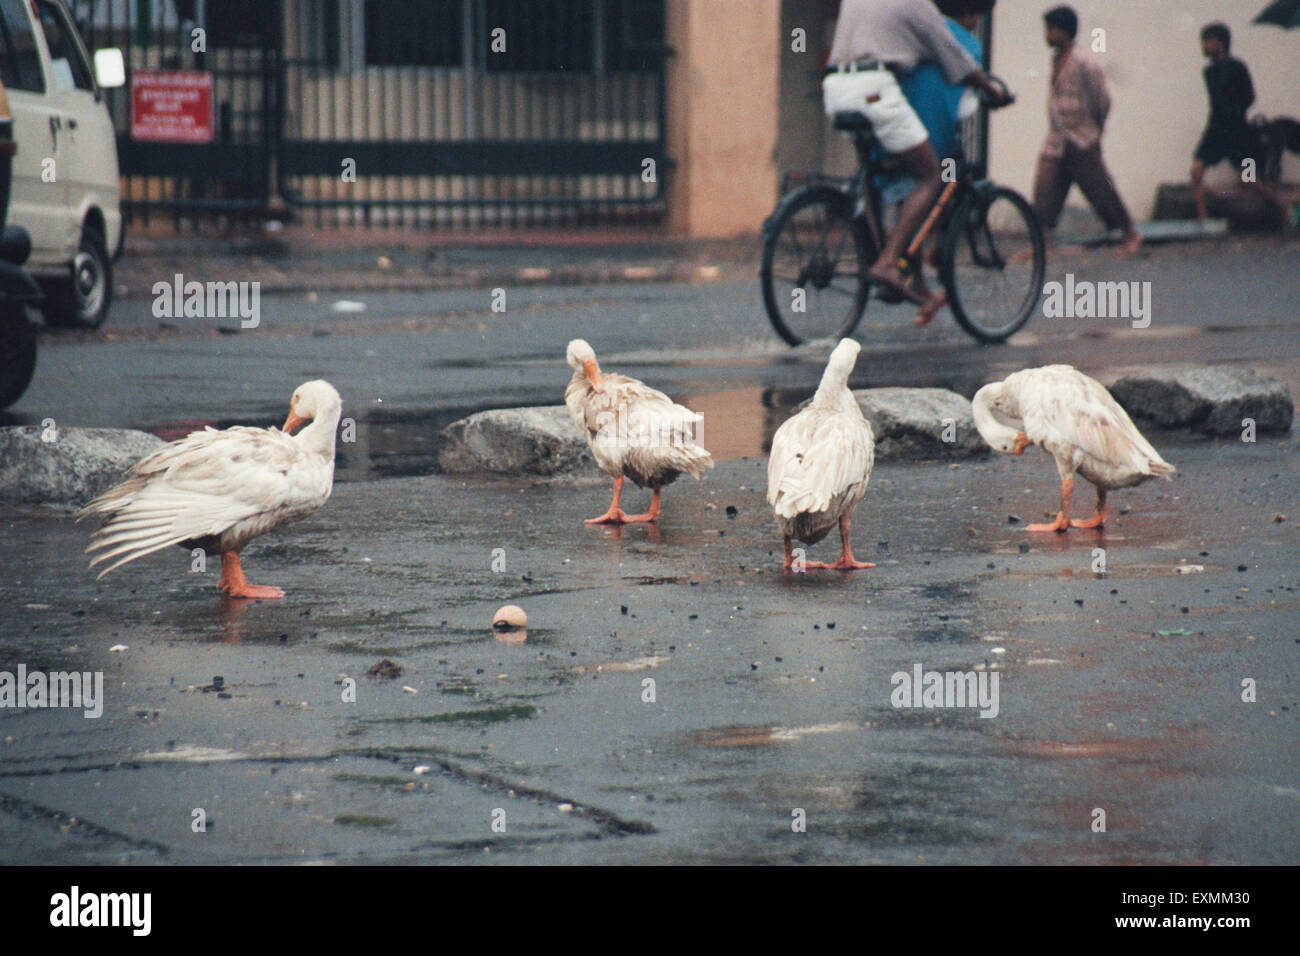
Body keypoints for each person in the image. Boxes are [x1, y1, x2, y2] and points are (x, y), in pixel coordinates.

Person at [823, 0, 1008, 321]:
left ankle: (892, 267)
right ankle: (888, 262)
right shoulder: (918, 4)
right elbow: (954, 57)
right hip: (874, 89)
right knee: (930, 175)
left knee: (874, 172)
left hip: (836, 89)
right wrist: (990, 90)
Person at [1029, 5, 1141, 257]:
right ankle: (1041, 244)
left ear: (1063, 31)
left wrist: (1094, 131)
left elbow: (1102, 100)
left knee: (1099, 187)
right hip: (1057, 139)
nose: (1046, 35)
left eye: (1050, 30)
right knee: (1046, 187)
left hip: (1081, 138)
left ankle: (1130, 234)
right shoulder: (1057, 58)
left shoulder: (1084, 61)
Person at [1191, 23, 1297, 231]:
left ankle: (1282, 205)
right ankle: (1203, 222)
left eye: (1208, 41)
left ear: (1220, 43)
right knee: (1196, 172)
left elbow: (1249, 95)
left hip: (1236, 130)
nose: (1204, 46)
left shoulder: (1237, 67)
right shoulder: (1209, 71)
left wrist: (1235, 114)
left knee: (1247, 178)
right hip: (1214, 129)